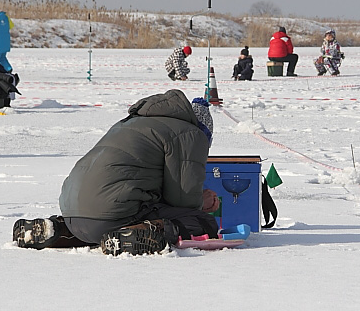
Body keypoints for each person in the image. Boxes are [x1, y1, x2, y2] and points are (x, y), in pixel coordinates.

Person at [13, 91, 223, 255]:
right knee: (203, 223)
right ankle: (138, 234)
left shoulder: (132, 121)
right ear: (204, 131)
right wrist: (201, 203)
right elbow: (182, 198)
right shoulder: (191, 134)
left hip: (73, 212)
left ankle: (58, 229)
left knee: (99, 222)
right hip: (115, 211)